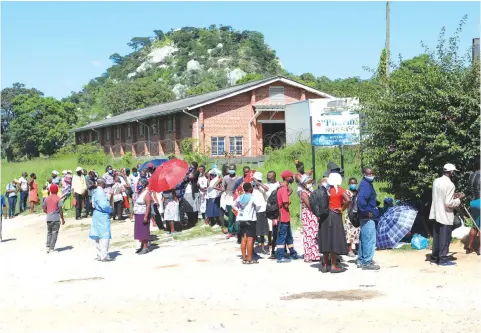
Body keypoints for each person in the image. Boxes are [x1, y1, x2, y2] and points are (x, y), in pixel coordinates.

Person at [429, 163, 464, 266]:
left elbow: (441, 196)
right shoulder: (450, 185)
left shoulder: (436, 181)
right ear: (451, 172)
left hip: (436, 213)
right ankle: (443, 259)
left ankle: (434, 258)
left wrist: (453, 196)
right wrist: (458, 199)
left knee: (437, 237)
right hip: (445, 214)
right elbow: (448, 203)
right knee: (445, 237)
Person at [318, 173, 350, 273]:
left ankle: (324, 266)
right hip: (335, 216)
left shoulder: (324, 190)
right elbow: (348, 200)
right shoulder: (340, 190)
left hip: (324, 217)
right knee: (334, 240)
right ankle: (333, 266)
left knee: (326, 239)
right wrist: (342, 208)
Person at [357, 167, 381, 270]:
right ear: (364, 174)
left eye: (372, 173)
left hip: (364, 216)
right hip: (367, 216)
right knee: (369, 239)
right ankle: (367, 262)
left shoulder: (364, 184)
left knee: (364, 239)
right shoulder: (366, 186)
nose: (371, 175)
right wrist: (367, 212)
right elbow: (361, 200)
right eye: (369, 173)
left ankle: (361, 260)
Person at [275, 170, 300, 263]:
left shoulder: (282, 188)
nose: (292, 178)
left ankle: (293, 253)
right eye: (290, 176)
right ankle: (280, 257)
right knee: (282, 237)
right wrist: (289, 201)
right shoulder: (283, 189)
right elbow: (285, 204)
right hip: (283, 217)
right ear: (286, 178)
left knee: (289, 236)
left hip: (285, 217)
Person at [234, 182, 262, 264]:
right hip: (250, 220)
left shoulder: (240, 197)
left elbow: (234, 205)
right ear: (250, 189)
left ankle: (244, 258)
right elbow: (259, 206)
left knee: (243, 239)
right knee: (250, 239)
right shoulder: (252, 197)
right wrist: (254, 211)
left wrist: (239, 211)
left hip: (241, 220)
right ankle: (250, 258)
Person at [89, 179, 113, 261]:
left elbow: (93, 203)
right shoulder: (101, 192)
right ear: (102, 184)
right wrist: (110, 209)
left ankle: (99, 254)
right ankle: (104, 255)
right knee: (104, 235)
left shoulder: (95, 192)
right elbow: (104, 205)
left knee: (98, 235)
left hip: (96, 214)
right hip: (102, 214)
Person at [299, 175, 321, 263]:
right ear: (304, 184)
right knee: (309, 234)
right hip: (308, 214)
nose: (310, 184)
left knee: (314, 234)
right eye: (308, 182)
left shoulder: (309, 191)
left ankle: (315, 254)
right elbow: (309, 205)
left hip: (312, 214)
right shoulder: (304, 193)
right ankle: (309, 255)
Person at [42, 184, 65, 253]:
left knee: (49, 232)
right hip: (55, 218)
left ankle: (47, 247)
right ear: (57, 190)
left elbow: (43, 208)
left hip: (48, 218)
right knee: (54, 233)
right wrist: (62, 219)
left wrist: (48, 213)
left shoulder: (47, 198)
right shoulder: (58, 198)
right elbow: (60, 210)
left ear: (50, 190)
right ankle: (52, 248)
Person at [133, 178, 152, 254]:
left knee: (144, 231)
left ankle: (145, 247)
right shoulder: (139, 193)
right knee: (139, 231)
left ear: (143, 184)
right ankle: (141, 246)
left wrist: (146, 216)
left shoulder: (146, 193)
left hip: (143, 214)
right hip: (138, 214)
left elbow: (148, 205)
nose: (138, 185)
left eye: (139, 183)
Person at [252, 172, 269, 254]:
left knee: (262, 231)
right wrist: (253, 184)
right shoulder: (251, 187)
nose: (255, 181)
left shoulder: (262, 186)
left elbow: (267, 189)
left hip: (262, 210)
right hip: (252, 211)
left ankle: (262, 248)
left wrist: (258, 183)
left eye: (257, 180)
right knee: (253, 230)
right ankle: (252, 248)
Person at [222, 164, 240, 237]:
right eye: (230, 169)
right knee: (230, 216)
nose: (231, 170)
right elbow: (224, 187)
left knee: (237, 215)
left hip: (236, 198)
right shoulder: (226, 178)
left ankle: (237, 231)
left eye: (232, 169)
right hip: (229, 198)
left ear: (235, 170)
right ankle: (230, 231)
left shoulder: (238, 178)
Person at [466, 158, 480, 255]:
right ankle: (479, 249)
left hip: (473, 202)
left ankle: (469, 247)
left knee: (475, 225)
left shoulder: (472, 175)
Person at [266, 171, 281, 259]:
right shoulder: (266, 184)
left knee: (277, 231)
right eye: (267, 176)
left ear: (274, 177)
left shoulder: (278, 184)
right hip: (269, 210)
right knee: (270, 230)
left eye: (270, 176)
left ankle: (279, 250)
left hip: (277, 210)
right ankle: (272, 247)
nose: (268, 177)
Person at [344, 178, 360, 257]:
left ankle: (357, 249)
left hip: (357, 215)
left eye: (354, 183)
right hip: (349, 215)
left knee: (357, 232)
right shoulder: (347, 192)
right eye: (351, 183)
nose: (353, 185)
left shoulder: (358, 192)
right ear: (349, 184)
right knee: (350, 232)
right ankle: (349, 250)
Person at [183, 162, 200, 228]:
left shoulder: (196, 172)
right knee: (188, 208)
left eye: (191, 165)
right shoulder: (188, 172)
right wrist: (187, 174)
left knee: (194, 207)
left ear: (194, 166)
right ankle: (190, 221)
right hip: (187, 191)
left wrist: (189, 174)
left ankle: (194, 221)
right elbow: (185, 178)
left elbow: (192, 177)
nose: (190, 166)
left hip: (193, 191)